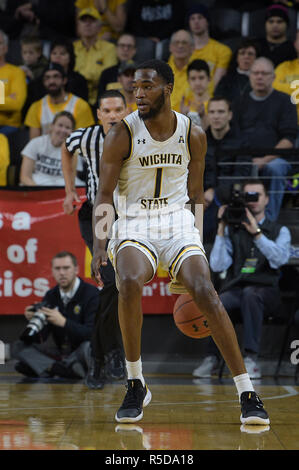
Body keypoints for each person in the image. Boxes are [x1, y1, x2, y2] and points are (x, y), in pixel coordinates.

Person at [91, 59, 269, 425]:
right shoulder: (121, 133)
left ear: (168, 88)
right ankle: (136, 381)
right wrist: (98, 245)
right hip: (135, 223)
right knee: (126, 282)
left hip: (177, 222)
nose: (138, 93)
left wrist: (196, 244)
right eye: (135, 88)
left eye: (147, 86)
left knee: (205, 289)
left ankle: (247, 391)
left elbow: (195, 196)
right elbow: (105, 195)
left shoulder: (193, 133)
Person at [62, 89, 127, 389]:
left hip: (127, 215)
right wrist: (68, 190)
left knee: (116, 288)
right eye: (107, 110)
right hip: (95, 215)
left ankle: (97, 358)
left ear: (126, 111)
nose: (113, 115)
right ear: (99, 114)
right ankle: (113, 352)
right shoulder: (85, 137)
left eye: (118, 109)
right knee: (111, 282)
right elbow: (66, 147)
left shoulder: (138, 135)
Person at [193, 180, 291, 379]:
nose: (252, 201)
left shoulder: (279, 230)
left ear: (267, 200)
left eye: (257, 196)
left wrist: (256, 233)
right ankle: (212, 358)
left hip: (268, 291)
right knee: (219, 300)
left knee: (251, 294)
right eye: (248, 197)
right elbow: (218, 266)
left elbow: (280, 259)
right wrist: (221, 229)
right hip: (239, 289)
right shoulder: (232, 230)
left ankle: (251, 358)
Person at [12, 251, 100, 379]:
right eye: (57, 269)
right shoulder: (51, 295)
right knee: (18, 347)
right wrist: (35, 322)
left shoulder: (91, 294)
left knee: (89, 348)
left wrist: (64, 322)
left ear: (76, 270)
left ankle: (47, 367)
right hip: (60, 353)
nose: (62, 273)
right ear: (52, 271)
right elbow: (41, 338)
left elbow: (93, 335)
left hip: (81, 352)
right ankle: (60, 369)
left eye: (66, 268)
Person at [233, 56, 298, 221]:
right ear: (249, 76)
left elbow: (289, 140)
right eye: (255, 73)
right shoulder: (239, 103)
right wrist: (248, 160)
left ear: (273, 77)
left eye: (264, 73)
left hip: (277, 159)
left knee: (275, 169)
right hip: (245, 158)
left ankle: (268, 222)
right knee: (231, 166)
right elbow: (234, 136)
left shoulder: (285, 101)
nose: (259, 77)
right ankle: (237, 220)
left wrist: (264, 160)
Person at [203, 97, 252, 243]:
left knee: (209, 220)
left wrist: (215, 192)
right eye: (212, 112)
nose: (216, 116)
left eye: (220, 111)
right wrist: (199, 194)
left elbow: (241, 176)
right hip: (199, 197)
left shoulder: (242, 142)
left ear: (230, 115)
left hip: (228, 198)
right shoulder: (198, 140)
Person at [24, 62, 94, 140]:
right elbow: (34, 143)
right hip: (44, 151)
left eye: (56, 76)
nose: (51, 81)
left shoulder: (81, 105)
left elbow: (84, 141)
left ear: (64, 80)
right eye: (47, 78)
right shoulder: (36, 107)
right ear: (43, 82)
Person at [20, 111, 83, 187]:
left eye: (67, 128)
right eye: (60, 125)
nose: (63, 130)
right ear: (52, 126)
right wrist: (40, 193)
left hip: (61, 190)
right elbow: (24, 177)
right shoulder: (35, 143)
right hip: (36, 187)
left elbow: (72, 180)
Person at [73, 7, 118, 107]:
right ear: (78, 26)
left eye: (92, 21)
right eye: (84, 21)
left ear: (100, 27)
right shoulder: (72, 48)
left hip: (100, 99)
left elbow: (107, 77)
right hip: (75, 98)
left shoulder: (109, 48)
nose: (87, 24)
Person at [186, 4, 232, 94]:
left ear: (207, 21)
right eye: (192, 18)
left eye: (200, 17)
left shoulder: (222, 51)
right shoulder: (181, 52)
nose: (196, 21)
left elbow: (215, 85)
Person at [214, 38, 259, 104]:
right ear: (237, 58)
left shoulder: (261, 78)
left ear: (256, 58)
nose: (246, 57)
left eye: (250, 54)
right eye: (242, 53)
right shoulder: (226, 80)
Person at [0, 29, 27, 136]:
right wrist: (7, 99)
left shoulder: (17, 72)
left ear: (5, 48)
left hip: (9, 128)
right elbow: (10, 102)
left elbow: (16, 104)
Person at [255, 3, 297, 68]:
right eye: (271, 21)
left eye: (279, 21)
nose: (275, 25)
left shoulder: (293, 49)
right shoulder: (255, 45)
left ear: (287, 25)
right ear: (265, 24)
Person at [97, 33, 137, 99]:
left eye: (129, 46)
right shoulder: (106, 73)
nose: (125, 49)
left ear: (134, 50)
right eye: (122, 45)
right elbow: (100, 100)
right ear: (116, 49)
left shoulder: (141, 72)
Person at [273, 29, 299, 124]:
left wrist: (286, 86)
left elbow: (279, 89)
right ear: (295, 44)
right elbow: (273, 89)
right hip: (285, 124)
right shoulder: (283, 67)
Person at [168, 29, 194, 112]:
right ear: (170, 47)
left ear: (192, 48)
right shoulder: (160, 72)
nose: (180, 46)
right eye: (176, 42)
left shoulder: (199, 73)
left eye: (184, 43)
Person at [180, 59, 211, 130]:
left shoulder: (217, 105)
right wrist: (182, 117)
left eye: (201, 78)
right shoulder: (183, 105)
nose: (197, 83)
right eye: (193, 79)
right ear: (188, 81)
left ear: (209, 79)